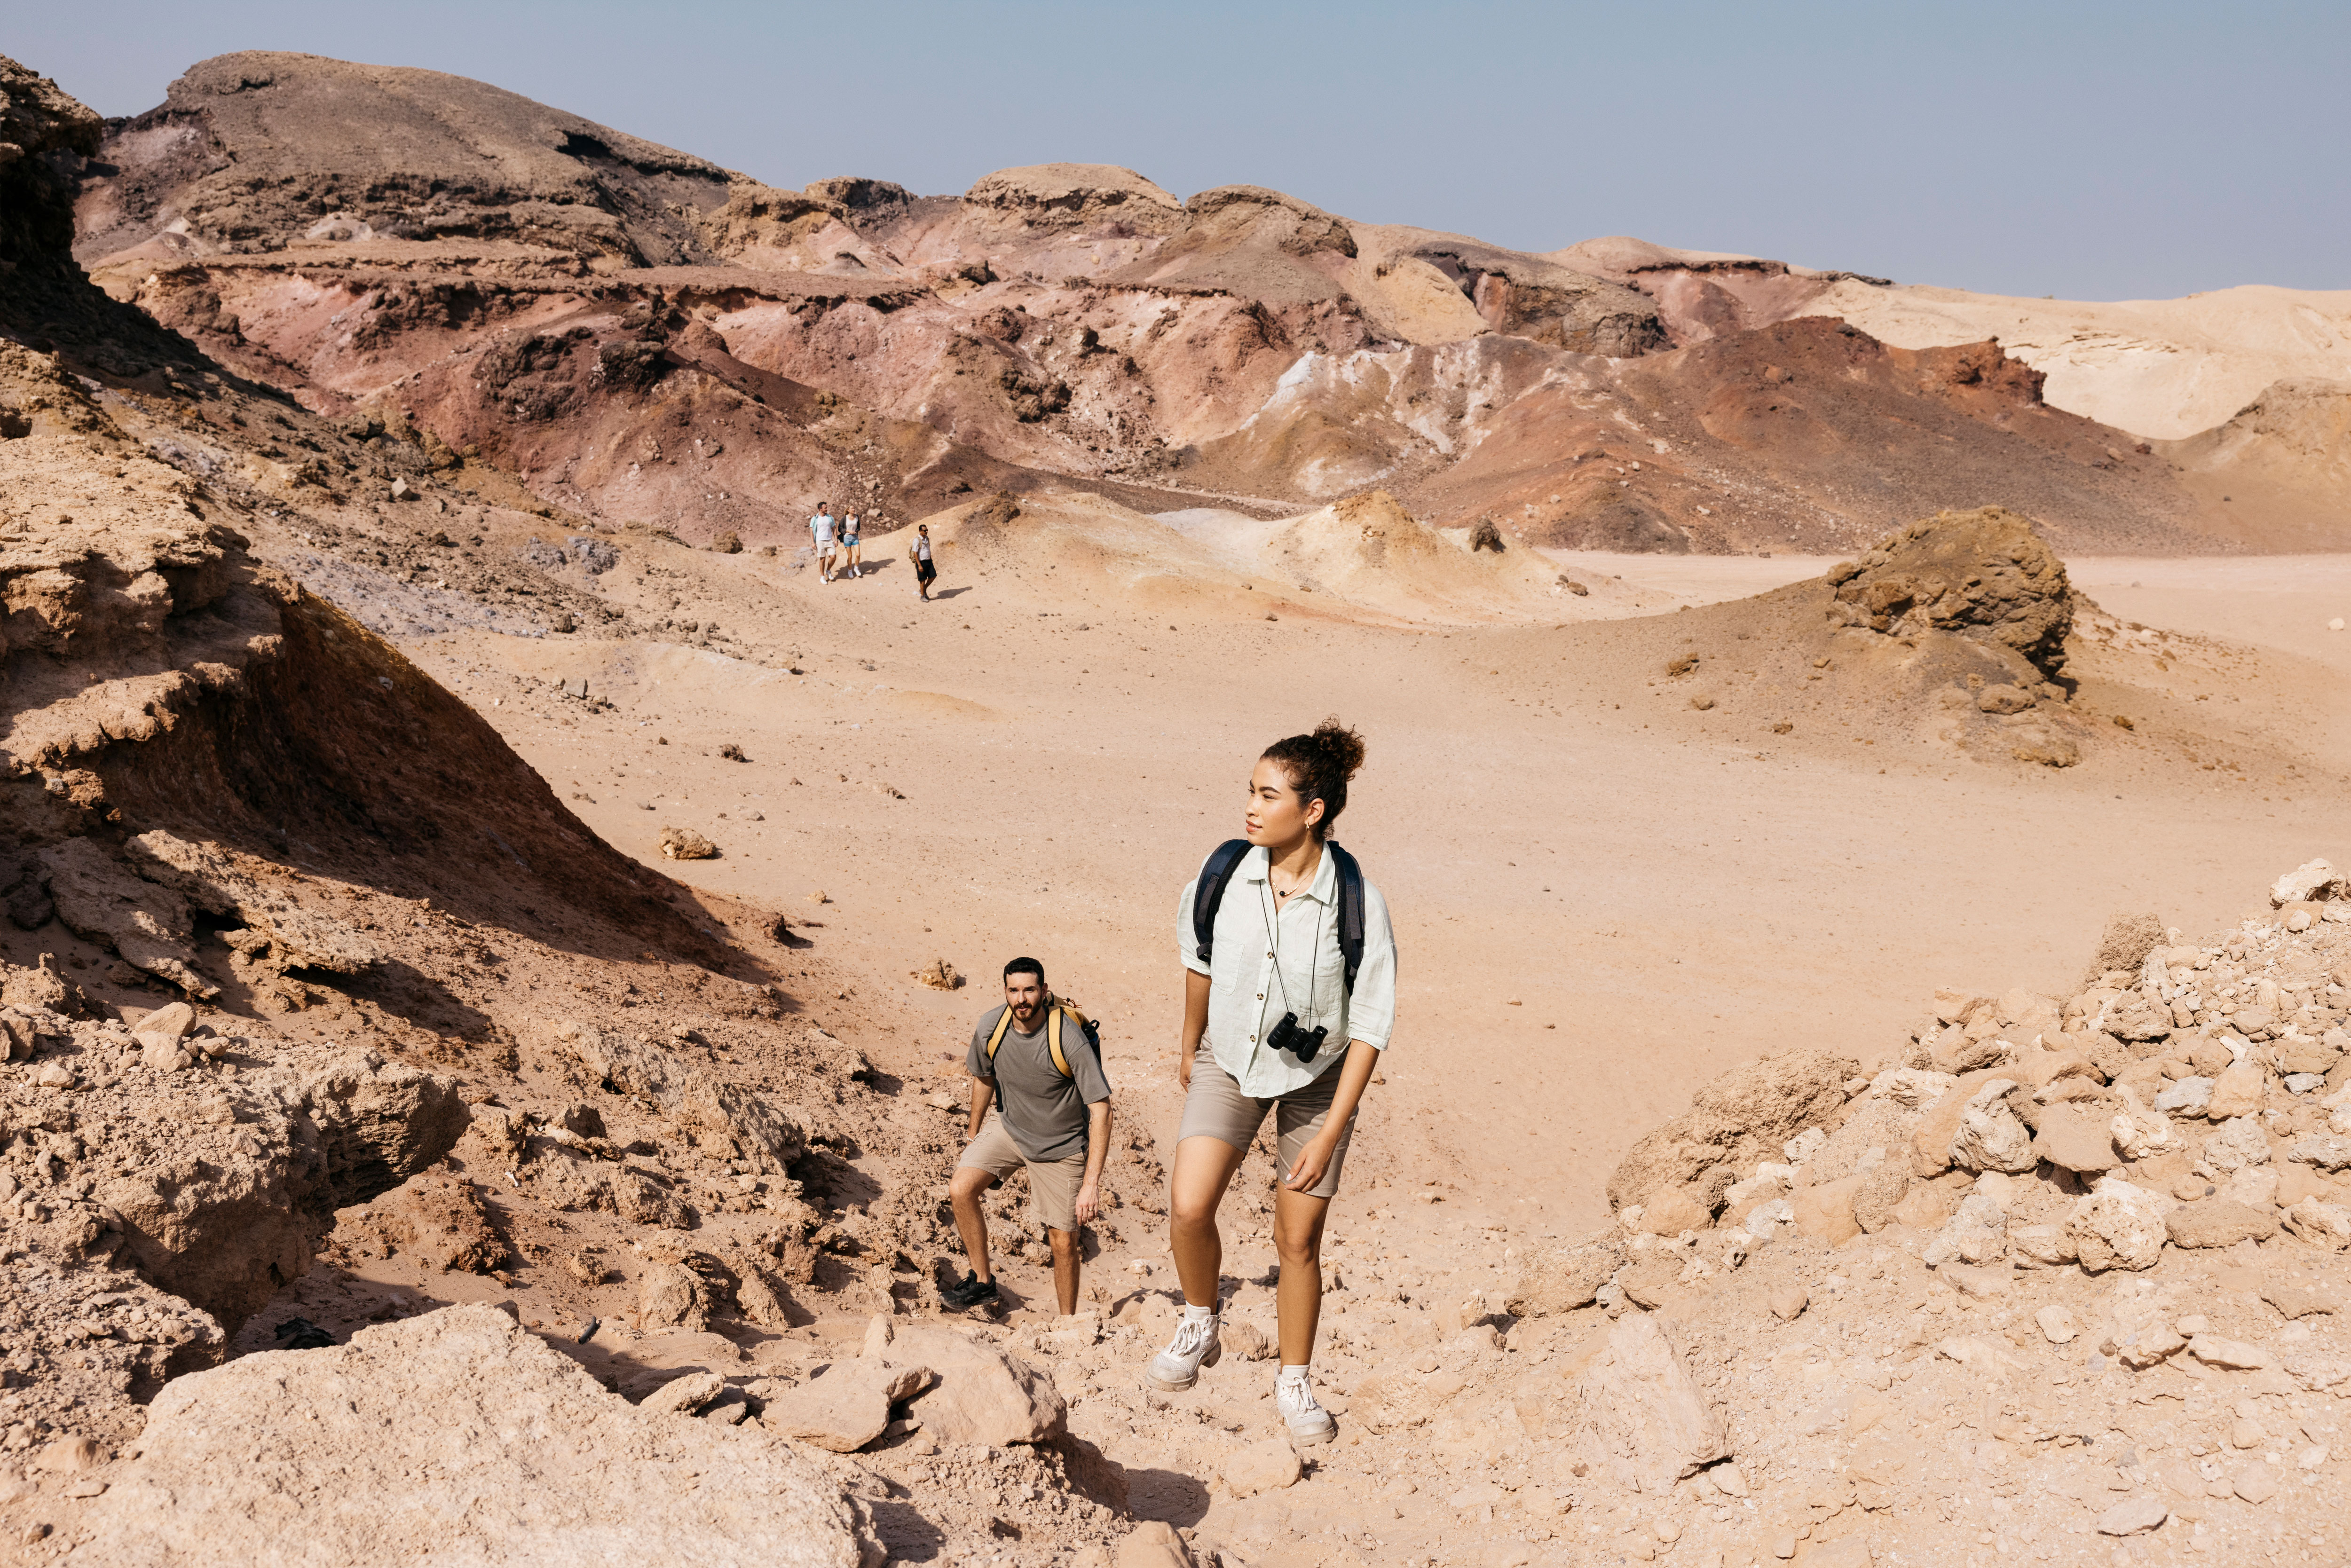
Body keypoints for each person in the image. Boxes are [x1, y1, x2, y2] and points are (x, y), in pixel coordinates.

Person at [1144, 721, 1395, 1445]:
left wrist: (1331, 1129)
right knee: (1189, 1205)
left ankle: (1294, 1379)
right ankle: (1200, 1320)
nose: (1250, 807)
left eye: (1268, 794)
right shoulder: (1226, 870)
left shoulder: (1357, 899)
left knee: (1298, 1238)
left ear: (1312, 810)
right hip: (1229, 1059)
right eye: (1250, 791)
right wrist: (1190, 1044)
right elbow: (1199, 958)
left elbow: (1370, 1025)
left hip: (1319, 1082)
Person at [943, 958, 1114, 1314]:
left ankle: (1067, 1324)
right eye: (1014, 990)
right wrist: (973, 1134)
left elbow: (1102, 1111)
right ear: (1005, 991)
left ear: (1044, 991)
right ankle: (982, 1281)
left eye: (1029, 990)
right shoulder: (992, 1026)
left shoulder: (1066, 1037)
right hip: (1010, 1129)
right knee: (961, 1188)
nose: (1021, 999)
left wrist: (1091, 1184)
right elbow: (984, 1078)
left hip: (1061, 1147)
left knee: (1063, 1242)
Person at [809, 502, 837, 582]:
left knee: (833, 557)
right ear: (820, 509)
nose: (827, 509)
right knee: (823, 559)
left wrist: (836, 540)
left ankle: (828, 570)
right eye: (825, 508)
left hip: (829, 541)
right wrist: (813, 542)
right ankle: (822, 577)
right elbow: (811, 531)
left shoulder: (830, 518)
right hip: (819, 541)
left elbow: (834, 529)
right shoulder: (815, 519)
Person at [909, 522, 937, 601]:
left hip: (929, 561)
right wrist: (919, 565)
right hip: (921, 562)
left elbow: (928, 550)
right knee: (922, 579)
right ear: (920, 531)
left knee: (933, 576)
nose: (927, 532)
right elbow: (915, 553)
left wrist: (931, 559)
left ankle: (923, 589)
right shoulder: (917, 540)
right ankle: (922, 596)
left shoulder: (927, 539)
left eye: (927, 530)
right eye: (925, 531)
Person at [841, 511, 864, 579]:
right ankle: (850, 570)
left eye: (854, 508)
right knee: (850, 556)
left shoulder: (857, 517)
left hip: (855, 537)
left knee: (858, 554)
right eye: (852, 508)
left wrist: (856, 531)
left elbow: (859, 527)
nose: (854, 509)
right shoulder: (845, 518)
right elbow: (841, 528)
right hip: (847, 538)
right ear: (848, 510)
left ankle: (856, 568)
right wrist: (848, 531)